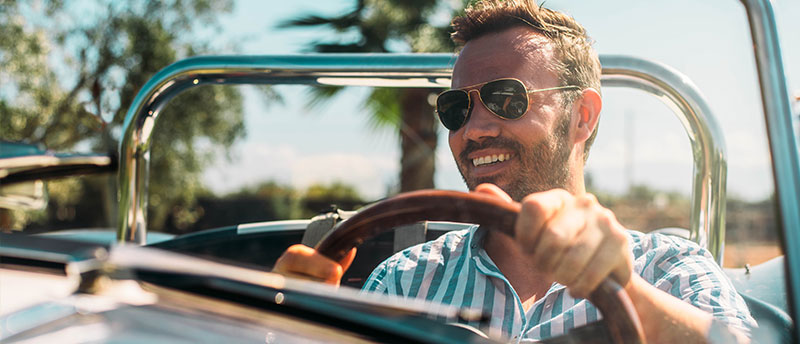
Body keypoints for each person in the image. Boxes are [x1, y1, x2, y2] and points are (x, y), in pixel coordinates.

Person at [272, 0, 755, 342]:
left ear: (582, 116)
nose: (475, 130)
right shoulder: (401, 281)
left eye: (506, 99)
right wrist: (291, 327)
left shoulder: (669, 269)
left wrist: (622, 289)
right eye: (456, 108)